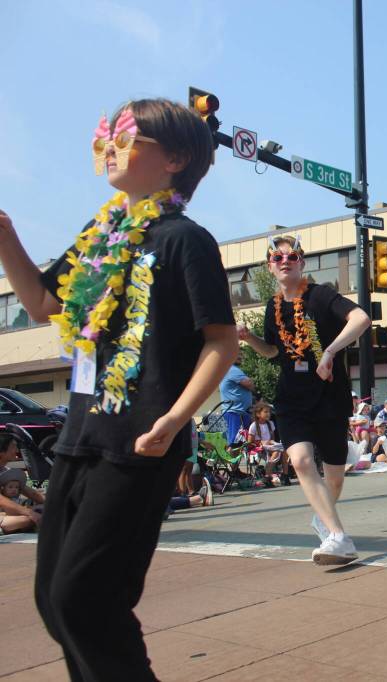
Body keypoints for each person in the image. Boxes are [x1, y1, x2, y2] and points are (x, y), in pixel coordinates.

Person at [0, 99, 238, 681]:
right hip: (81, 437)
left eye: (126, 135)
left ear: (176, 158)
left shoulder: (186, 240)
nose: (109, 144)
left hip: (141, 444)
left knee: (88, 600)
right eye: (105, 134)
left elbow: (222, 342)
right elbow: (41, 303)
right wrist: (6, 236)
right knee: (57, 604)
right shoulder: (100, 236)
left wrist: (176, 418)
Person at [237, 233, 371, 565]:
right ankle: (340, 537)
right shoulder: (273, 306)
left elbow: (361, 319)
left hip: (329, 395)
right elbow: (273, 351)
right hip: (291, 397)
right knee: (300, 461)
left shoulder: (321, 296)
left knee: (335, 476)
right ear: (270, 266)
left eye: (291, 257)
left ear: (302, 263)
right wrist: (249, 338)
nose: (285, 262)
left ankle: (324, 522)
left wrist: (329, 351)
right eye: (277, 258)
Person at [0, 434, 46, 534]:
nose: (17, 450)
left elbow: (31, 492)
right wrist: (29, 513)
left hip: (6, 515)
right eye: (13, 447)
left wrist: (54, 504)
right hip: (3, 517)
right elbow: (1, 500)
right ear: (2, 452)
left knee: (44, 511)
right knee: (30, 519)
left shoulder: (6, 471)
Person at [248, 401, 286, 485]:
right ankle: (268, 475)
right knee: (277, 452)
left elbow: (272, 438)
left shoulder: (270, 424)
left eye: (269, 412)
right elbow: (249, 442)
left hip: (269, 447)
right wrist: (263, 442)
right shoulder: (254, 425)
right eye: (265, 412)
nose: (268, 414)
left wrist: (272, 442)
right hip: (259, 449)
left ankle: (271, 475)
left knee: (281, 450)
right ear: (258, 414)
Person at [219, 360, 254, 443]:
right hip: (235, 412)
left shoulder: (227, 370)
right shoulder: (232, 369)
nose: (241, 357)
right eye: (239, 354)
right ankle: (232, 455)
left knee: (240, 442)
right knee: (236, 442)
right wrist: (252, 384)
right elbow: (249, 383)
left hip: (237, 412)